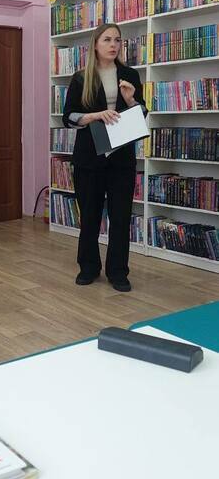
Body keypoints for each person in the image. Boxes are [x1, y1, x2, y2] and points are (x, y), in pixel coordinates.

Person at [62, 23, 147, 292]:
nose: (113, 45)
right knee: (89, 216)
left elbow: (142, 114)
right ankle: (88, 268)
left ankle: (118, 272)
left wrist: (131, 101)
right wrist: (95, 115)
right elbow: (68, 117)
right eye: (107, 39)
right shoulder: (81, 78)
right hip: (89, 158)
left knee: (120, 217)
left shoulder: (130, 75)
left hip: (121, 158)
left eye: (117, 40)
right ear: (96, 44)